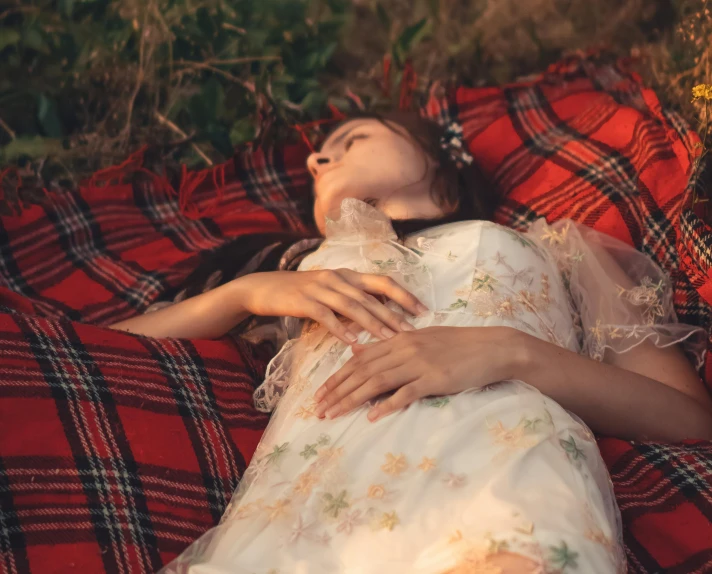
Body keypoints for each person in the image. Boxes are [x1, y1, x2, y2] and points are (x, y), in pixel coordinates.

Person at [110, 112, 712, 573]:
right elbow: (104, 348)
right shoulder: (297, 272)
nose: (319, 158)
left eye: (355, 136)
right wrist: (242, 294)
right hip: (312, 512)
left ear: (437, 155)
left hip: (500, 474)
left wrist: (511, 351)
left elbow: (689, 418)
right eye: (318, 160)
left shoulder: (558, 246)